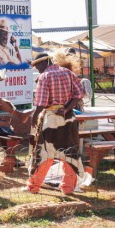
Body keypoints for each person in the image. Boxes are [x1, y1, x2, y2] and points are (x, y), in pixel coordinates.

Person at [22, 53, 84, 195]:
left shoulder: (45, 76)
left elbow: (40, 105)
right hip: (69, 119)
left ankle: (33, 186)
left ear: (45, 62)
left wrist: (33, 122)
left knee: (44, 154)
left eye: (37, 65)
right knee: (69, 155)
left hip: (50, 120)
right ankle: (68, 188)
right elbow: (79, 94)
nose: (37, 69)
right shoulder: (68, 72)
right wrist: (67, 108)